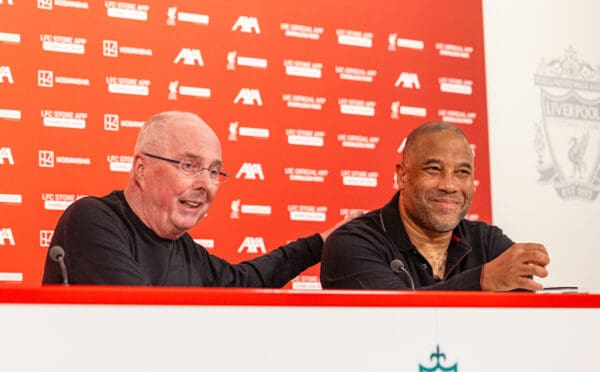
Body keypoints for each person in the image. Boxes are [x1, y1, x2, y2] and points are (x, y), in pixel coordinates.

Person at [43, 111, 350, 286]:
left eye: (215, 171)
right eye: (189, 165)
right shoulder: (91, 219)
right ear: (141, 168)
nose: (205, 184)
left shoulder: (187, 252)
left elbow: (244, 283)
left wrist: (321, 243)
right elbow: (138, 324)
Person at [320, 121, 550, 291]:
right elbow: (393, 317)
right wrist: (481, 281)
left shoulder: (487, 242)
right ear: (402, 176)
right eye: (433, 169)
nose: (449, 185)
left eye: (462, 172)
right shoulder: (351, 243)